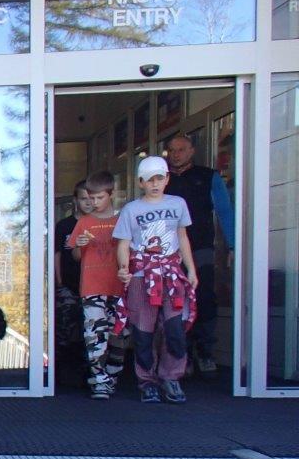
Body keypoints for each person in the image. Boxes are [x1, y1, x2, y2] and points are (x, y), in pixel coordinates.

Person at [114, 155, 198, 404]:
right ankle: (147, 381)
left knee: (174, 328)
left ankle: (171, 377)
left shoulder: (178, 204)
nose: (154, 184)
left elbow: (182, 237)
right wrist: (123, 268)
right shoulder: (131, 209)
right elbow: (123, 243)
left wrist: (191, 270)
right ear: (140, 182)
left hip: (171, 275)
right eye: (149, 180)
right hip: (142, 275)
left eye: (159, 178)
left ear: (167, 179)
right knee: (143, 331)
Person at [163, 132, 234, 374]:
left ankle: (205, 351)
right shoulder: (161, 179)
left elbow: (225, 213)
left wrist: (233, 246)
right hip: (167, 252)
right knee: (173, 301)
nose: (176, 154)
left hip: (201, 248)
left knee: (203, 298)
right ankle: (182, 355)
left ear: (192, 150)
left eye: (181, 149)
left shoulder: (208, 177)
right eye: (172, 150)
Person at [70, 172, 127, 399]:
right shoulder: (84, 222)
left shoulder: (122, 219)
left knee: (120, 335)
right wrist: (79, 246)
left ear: (111, 195)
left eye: (99, 197)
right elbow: (74, 254)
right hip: (92, 287)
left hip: (118, 287)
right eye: (90, 198)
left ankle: (112, 376)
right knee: (94, 335)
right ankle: (99, 381)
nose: (94, 203)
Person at [54, 181, 91, 386]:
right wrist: (59, 282)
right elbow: (57, 255)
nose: (88, 203)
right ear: (76, 201)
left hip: (92, 286)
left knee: (90, 331)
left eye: (91, 198)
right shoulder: (65, 226)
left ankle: (88, 373)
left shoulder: (99, 224)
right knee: (65, 329)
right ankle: (58, 374)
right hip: (68, 284)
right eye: (84, 199)